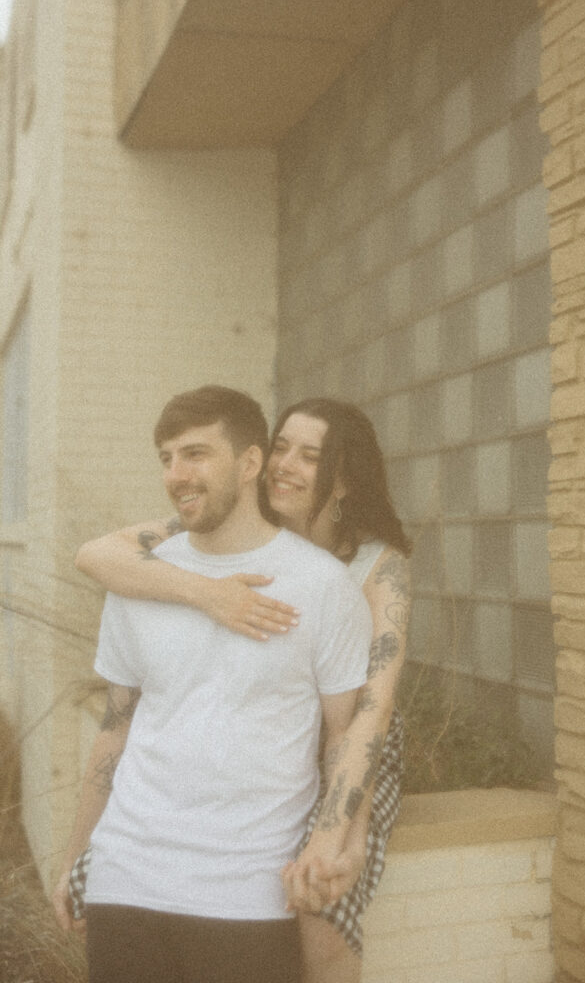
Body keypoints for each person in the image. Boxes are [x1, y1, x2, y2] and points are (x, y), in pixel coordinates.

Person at [65, 396, 411, 983]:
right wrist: (212, 594)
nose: (285, 465)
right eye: (281, 447)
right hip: (222, 783)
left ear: (345, 479)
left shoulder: (374, 566)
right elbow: (95, 555)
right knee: (92, 886)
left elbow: (365, 719)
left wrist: (338, 835)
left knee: (324, 904)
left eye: (310, 456)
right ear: (254, 460)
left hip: (360, 729)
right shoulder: (211, 523)